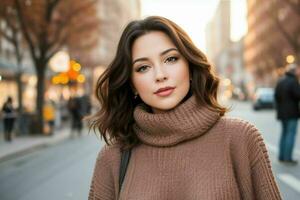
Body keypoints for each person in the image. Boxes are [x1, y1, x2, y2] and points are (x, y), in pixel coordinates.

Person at [89, 16, 282, 199]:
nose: (160, 75)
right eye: (143, 67)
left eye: (171, 59)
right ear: (132, 84)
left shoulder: (240, 138)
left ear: (189, 66)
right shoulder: (112, 158)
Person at [274, 63, 300, 165]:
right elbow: (298, 95)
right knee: (290, 134)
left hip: (282, 113)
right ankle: (288, 157)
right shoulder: (293, 81)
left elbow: (276, 96)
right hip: (292, 113)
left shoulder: (280, 81)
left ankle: (281, 156)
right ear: (294, 71)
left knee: (284, 134)